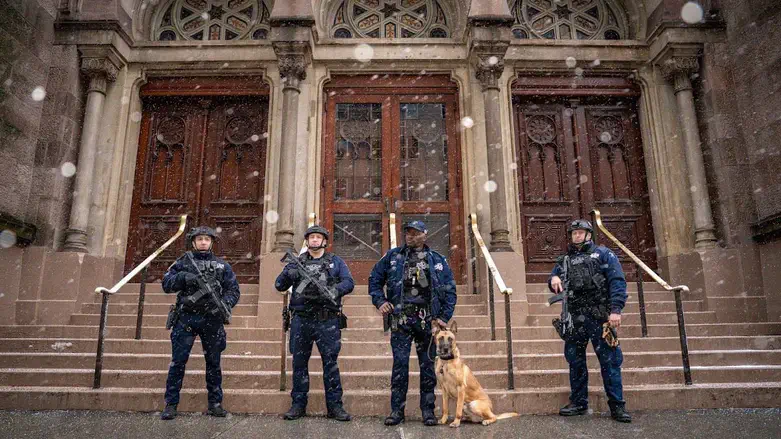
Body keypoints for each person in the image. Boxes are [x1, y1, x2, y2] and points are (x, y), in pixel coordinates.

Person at [369, 220, 457, 426]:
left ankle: (428, 411)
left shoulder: (437, 259)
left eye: (415, 233)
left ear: (425, 235)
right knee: (399, 366)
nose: (410, 236)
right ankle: (396, 411)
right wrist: (380, 301)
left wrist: (443, 317)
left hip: (427, 321)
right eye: (407, 233)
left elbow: (450, 290)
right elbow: (374, 280)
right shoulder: (393, 257)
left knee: (427, 366)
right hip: (401, 320)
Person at [548, 219, 632, 423]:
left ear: (589, 234)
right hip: (574, 319)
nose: (576, 236)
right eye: (573, 233)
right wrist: (553, 279)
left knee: (610, 361)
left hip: (599, 317)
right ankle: (578, 402)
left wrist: (616, 310)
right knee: (575, 361)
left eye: (580, 233)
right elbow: (554, 279)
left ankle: (617, 406)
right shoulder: (565, 259)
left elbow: (617, 281)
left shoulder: (603, 254)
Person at [159, 226, 241, 420]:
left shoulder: (222, 266)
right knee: (178, 362)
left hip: (212, 319)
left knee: (213, 363)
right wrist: (183, 278)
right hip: (186, 318)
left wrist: (224, 304)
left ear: (211, 242)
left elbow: (233, 291)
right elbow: (166, 284)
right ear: (193, 242)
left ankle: (215, 403)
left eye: (206, 239)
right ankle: (171, 404)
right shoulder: (183, 262)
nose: (203, 242)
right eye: (199, 239)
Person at [275, 225, 354, 421]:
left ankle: (335, 407)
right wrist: (288, 274)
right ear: (307, 242)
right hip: (302, 320)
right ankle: (298, 405)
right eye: (312, 237)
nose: (315, 241)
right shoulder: (297, 262)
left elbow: (348, 282)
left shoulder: (335, 262)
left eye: (319, 237)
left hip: (327, 319)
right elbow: (279, 285)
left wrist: (334, 291)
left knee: (331, 365)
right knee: (300, 364)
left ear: (324, 242)